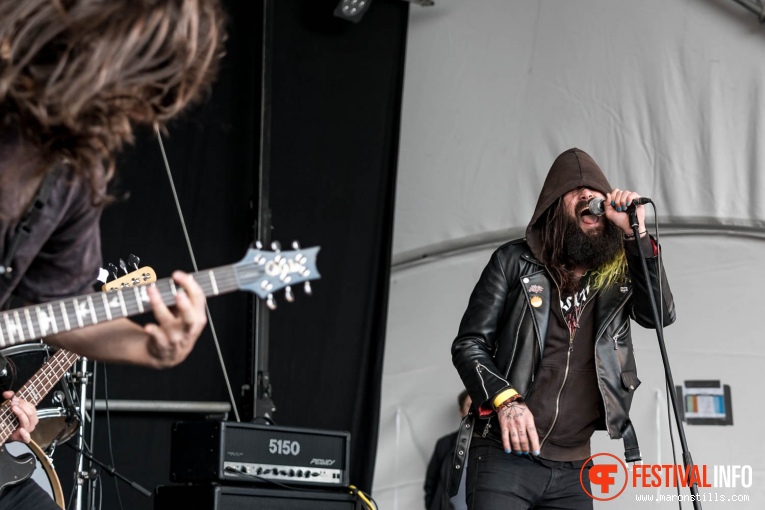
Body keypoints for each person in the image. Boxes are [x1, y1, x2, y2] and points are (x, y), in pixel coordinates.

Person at [0, 1, 227, 508]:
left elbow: (54, 309)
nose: (130, 119)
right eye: (133, 90)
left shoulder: (74, 172)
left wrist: (152, 348)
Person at [451, 148, 675, 509]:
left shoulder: (618, 272)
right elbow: (469, 345)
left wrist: (637, 234)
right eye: (577, 191)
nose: (590, 197)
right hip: (504, 455)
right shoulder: (514, 262)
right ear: (555, 205)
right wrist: (506, 401)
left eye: (596, 191)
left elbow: (658, 315)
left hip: (575, 465)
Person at [424, 389, 472, 510]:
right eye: (469, 406)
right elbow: (431, 485)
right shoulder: (445, 444)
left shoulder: (498, 445)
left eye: (478, 405)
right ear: (461, 411)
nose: (474, 411)